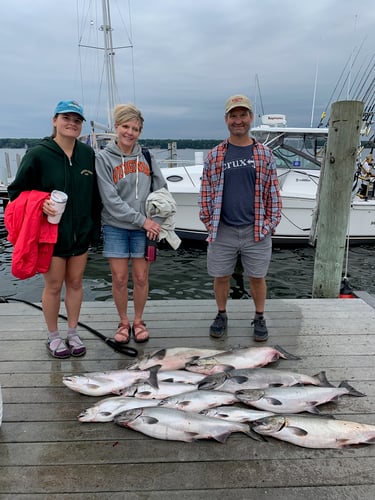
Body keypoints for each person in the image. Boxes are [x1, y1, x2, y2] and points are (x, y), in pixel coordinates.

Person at [7, 100, 101, 358]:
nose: (72, 123)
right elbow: (16, 193)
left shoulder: (87, 154)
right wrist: (41, 203)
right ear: (54, 120)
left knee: (75, 282)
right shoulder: (38, 154)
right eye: (66, 118)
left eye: (77, 119)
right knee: (53, 286)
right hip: (50, 235)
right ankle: (53, 336)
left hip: (81, 233)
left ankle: (72, 332)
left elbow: (94, 196)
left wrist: (94, 230)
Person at [199, 94, 282, 341]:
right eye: (233, 115)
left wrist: (270, 224)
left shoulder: (265, 154)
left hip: (255, 228)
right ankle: (222, 314)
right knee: (221, 276)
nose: (238, 120)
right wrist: (207, 221)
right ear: (226, 119)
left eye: (242, 115)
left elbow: (273, 193)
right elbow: (206, 191)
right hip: (222, 229)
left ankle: (259, 316)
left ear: (250, 118)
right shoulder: (215, 155)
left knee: (257, 276)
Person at [95, 103, 167, 344]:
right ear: (116, 127)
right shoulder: (103, 158)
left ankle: (138, 320)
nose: (130, 132)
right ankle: (123, 322)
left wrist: (155, 220)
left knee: (141, 278)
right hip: (116, 226)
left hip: (144, 228)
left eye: (135, 128)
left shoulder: (147, 156)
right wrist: (142, 220)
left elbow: (161, 190)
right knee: (118, 278)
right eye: (125, 126)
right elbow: (110, 200)